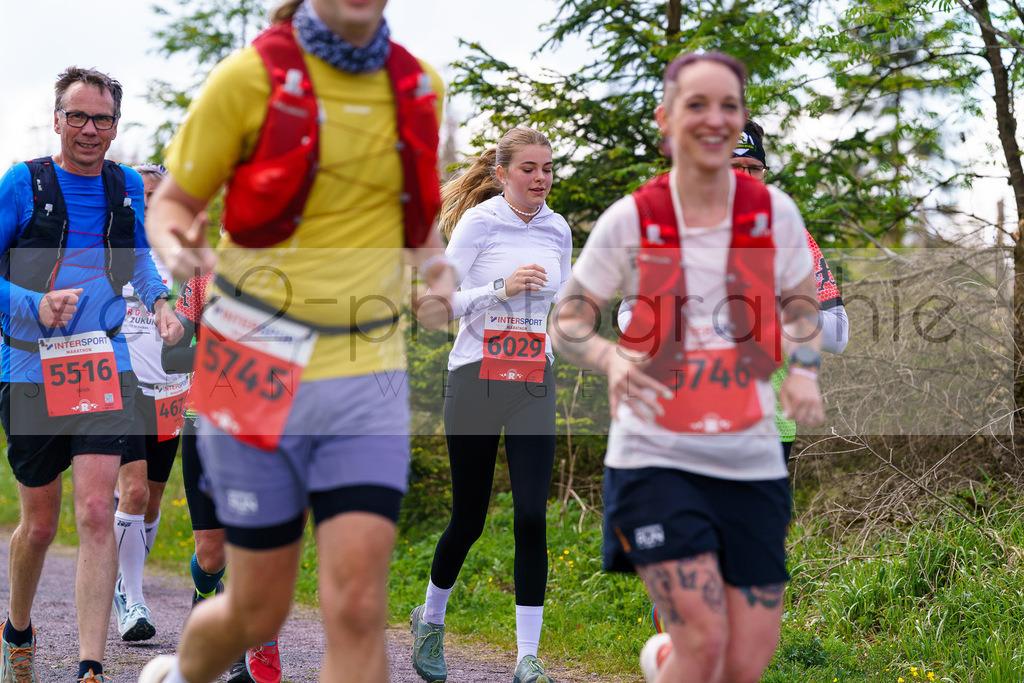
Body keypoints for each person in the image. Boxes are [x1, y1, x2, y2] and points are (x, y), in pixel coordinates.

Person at [137, 0, 453, 681]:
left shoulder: (422, 87)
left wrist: (438, 268)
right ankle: (183, 673)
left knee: (359, 602)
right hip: (253, 360)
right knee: (257, 608)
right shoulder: (248, 79)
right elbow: (171, 203)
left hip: (365, 367)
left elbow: (417, 219)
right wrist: (175, 244)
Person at [549, 52, 824, 683]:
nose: (715, 118)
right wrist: (610, 358)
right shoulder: (633, 219)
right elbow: (567, 320)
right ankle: (677, 653)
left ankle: (666, 662)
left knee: (745, 660)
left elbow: (803, 302)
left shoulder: (773, 214)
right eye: (696, 104)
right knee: (703, 638)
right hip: (655, 455)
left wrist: (804, 370)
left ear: (742, 119)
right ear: (666, 119)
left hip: (750, 459)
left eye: (728, 105)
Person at [0, 67, 182, 683]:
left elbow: (139, 261)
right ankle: (18, 628)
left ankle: (90, 666)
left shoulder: (126, 185)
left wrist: (159, 303)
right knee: (41, 524)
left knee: (98, 511)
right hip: (29, 363)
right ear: (56, 118)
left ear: (115, 126)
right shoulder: (22, 183)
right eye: (76, 116)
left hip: (102, 360)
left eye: (101, 119)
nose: (88, 129)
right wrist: (34, 304)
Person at [409, 127, 572, 683]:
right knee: (470, 518)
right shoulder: (480, 224)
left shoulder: (558, 229)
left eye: (548, 168)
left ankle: (528, 657)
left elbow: (562, 305)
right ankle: (430, 620)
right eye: (529, 169)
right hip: (475, 376)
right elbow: (438, 304)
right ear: (503, 174)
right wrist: (499, 288)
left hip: (532, 379)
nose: (541, 179)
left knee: (531, 516)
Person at [161, 269, 283, 683]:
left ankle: (247, 647)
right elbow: (169, 357)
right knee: (212, 552)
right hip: (205, 421)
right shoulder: (202, 283)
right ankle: (204, 597)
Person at [112, 163, 189, 644]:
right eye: (143, 196)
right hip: (123, 385)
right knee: (134, 492)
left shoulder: (185, 258)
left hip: (174, 389)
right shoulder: (114, 248)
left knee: (153, 498)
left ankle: (125, 584)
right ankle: (134, 597)